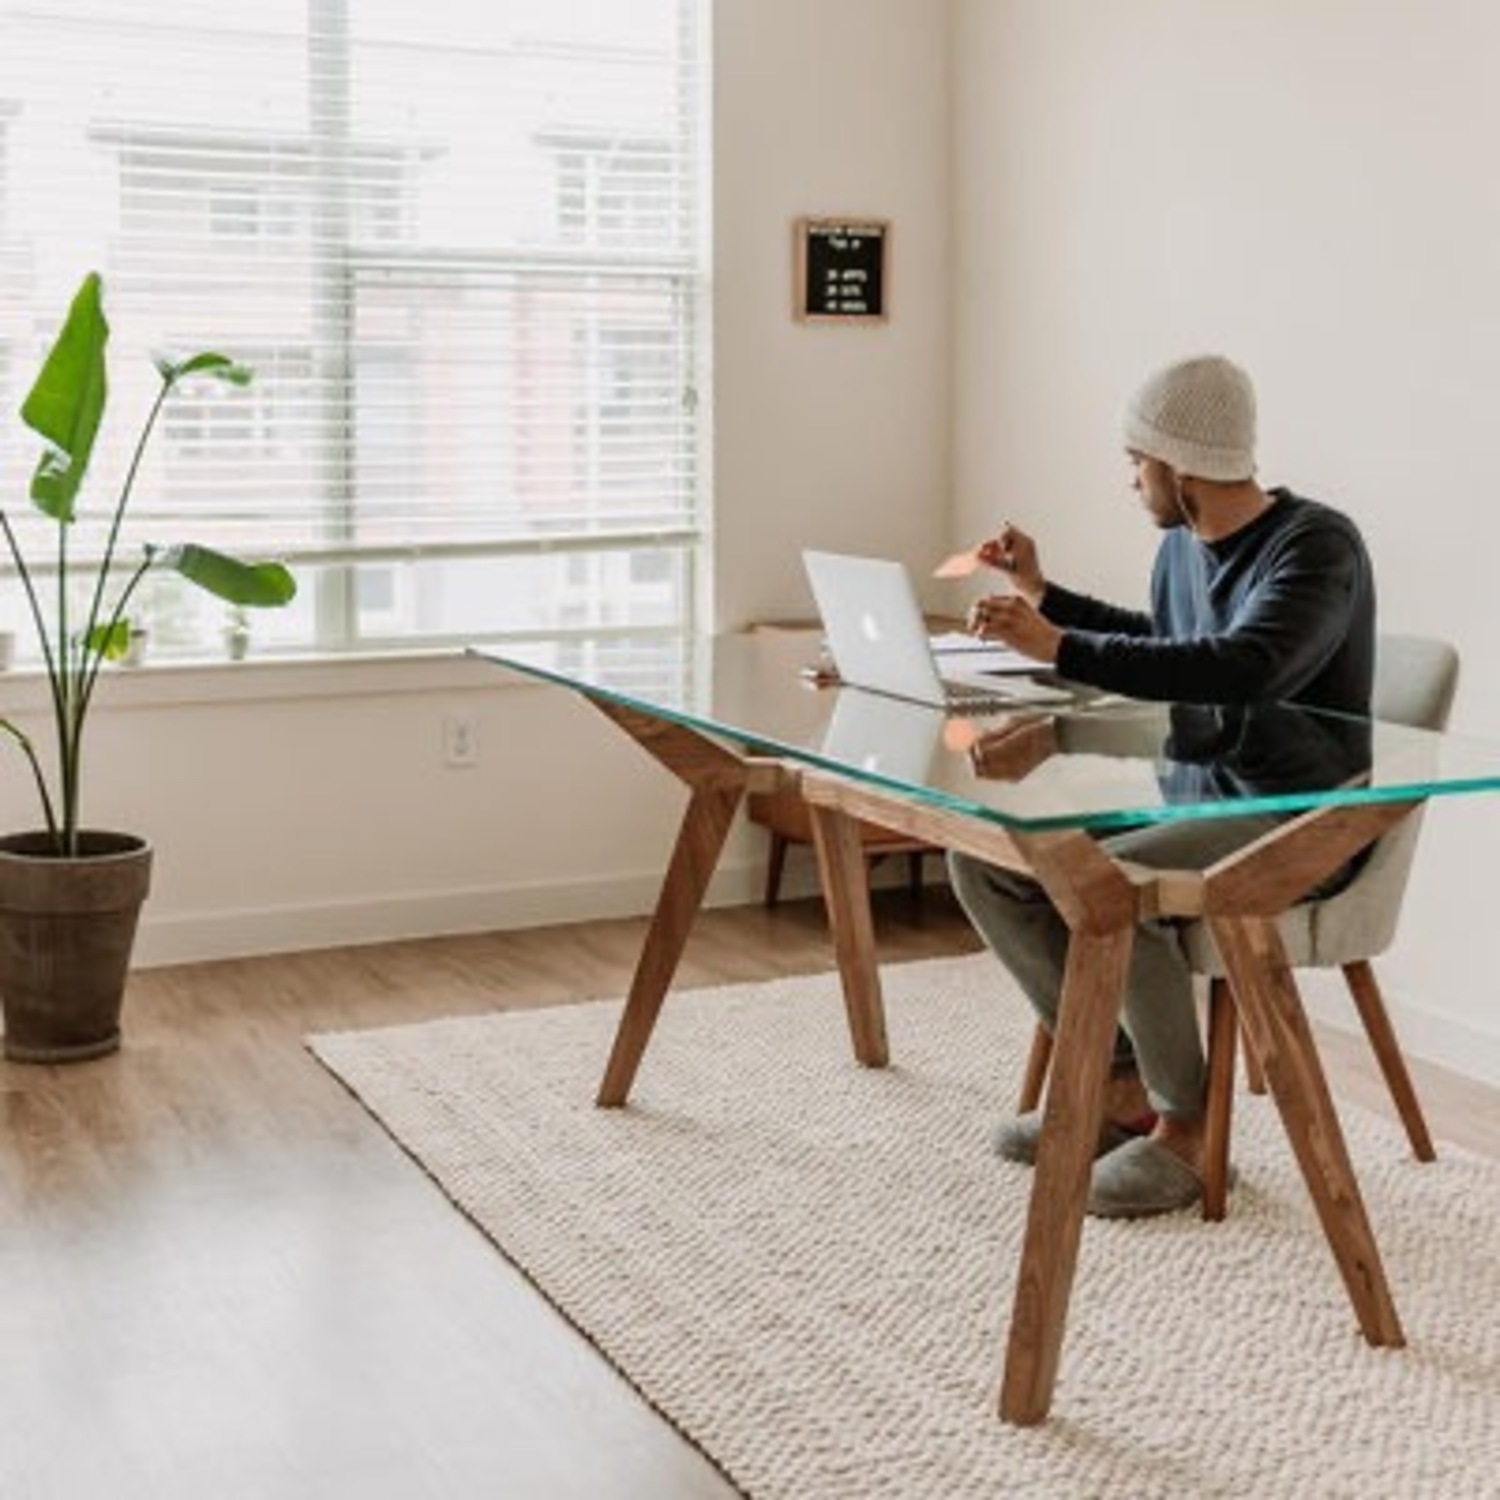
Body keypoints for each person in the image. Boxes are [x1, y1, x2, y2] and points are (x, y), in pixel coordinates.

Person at [948, 353, 1376, 1219]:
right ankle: (1116, 1085)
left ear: (1181, 468)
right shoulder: (1183, 546)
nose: (1129, 480)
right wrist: (1043, 595)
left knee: (1107, 887)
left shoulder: (1317, 547)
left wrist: (1056, 648)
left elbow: (1243, 665)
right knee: (991, 860)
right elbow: (1161, 639)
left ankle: (1186, 1127)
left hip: (1298, 819)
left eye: (1136, 462)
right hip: (1198, 793)